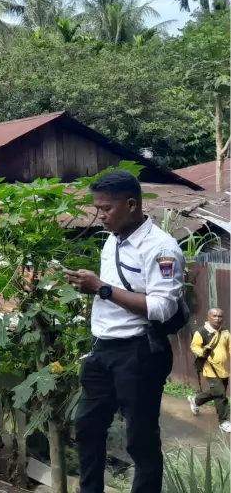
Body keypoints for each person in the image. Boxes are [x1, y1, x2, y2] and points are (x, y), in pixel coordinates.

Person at [64, 170, 185, 493]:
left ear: (131, 204)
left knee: (140, 438)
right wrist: (87, 287)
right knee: (87, 427)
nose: (99, 215)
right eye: (97, 208)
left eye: (106, 209)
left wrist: (101, 288)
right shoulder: (112, 242)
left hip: (139, 352)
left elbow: (163, 308)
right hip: (103, 349)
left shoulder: (161, 248)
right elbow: (112, 294)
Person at [188, 308, 230, 432]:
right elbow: (194, 346)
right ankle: (224, 421)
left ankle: (195, 400)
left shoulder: (225, 332)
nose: (217, 319)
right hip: (210, 367)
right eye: (214, 316)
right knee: (220, 394)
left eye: (220, 316)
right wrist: (202, 352)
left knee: (217, 391)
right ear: (208, 317)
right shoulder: (201, 332)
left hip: (223, 368)